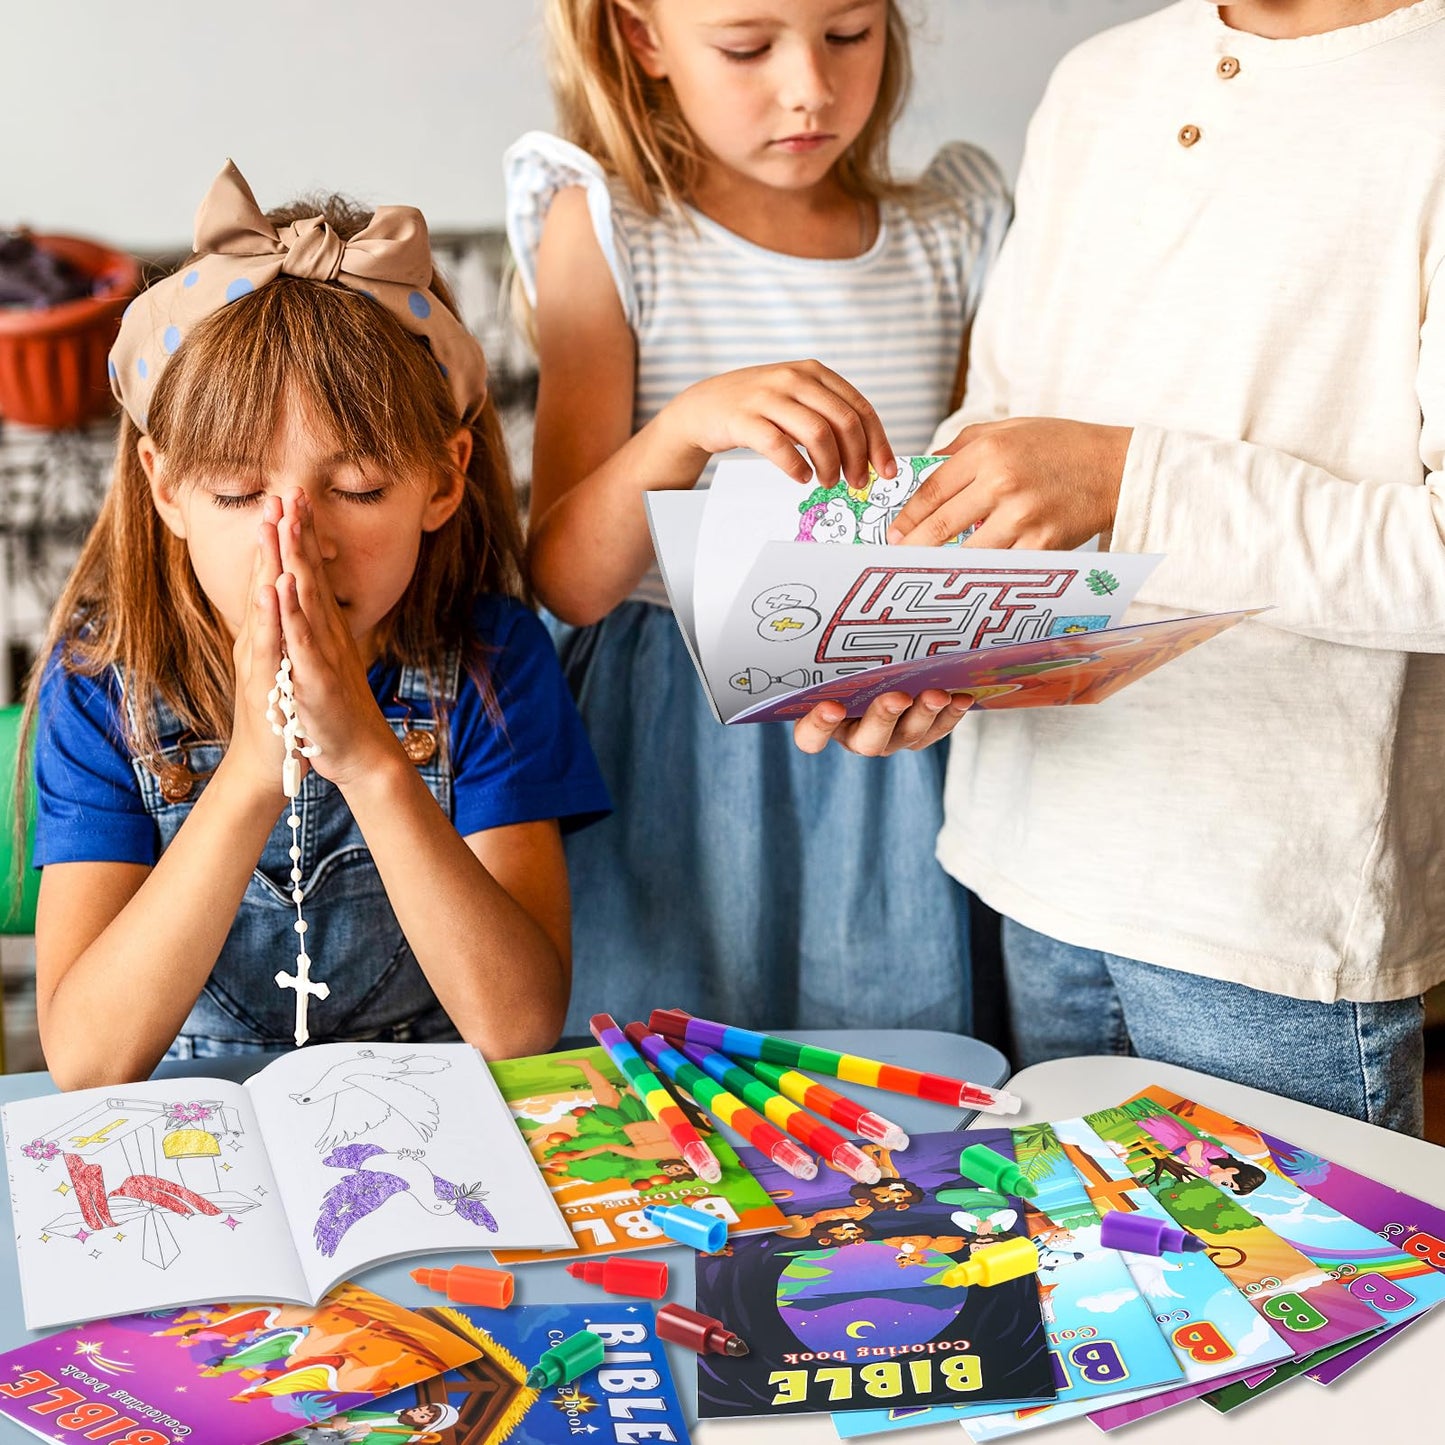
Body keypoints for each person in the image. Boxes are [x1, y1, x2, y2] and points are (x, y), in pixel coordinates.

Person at [795, 0, 1444, 1134]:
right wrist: (921, 649)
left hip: (1266, 917)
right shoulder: (1096, 80)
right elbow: (997, 434)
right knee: (1048, 1301)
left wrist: (1124, 477)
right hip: (1021, 860)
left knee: (1287, 1313)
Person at [22, 162, 609, 1089]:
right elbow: (89, 1058)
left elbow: (519, 1025)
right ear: (166, 487)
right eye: (237, 492)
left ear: (443, 481)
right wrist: (254, 772)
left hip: (435, 1121)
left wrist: (372, 760)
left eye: (358, 489)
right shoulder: (101, 681)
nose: (298, 543)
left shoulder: (495, 661)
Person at [505, 0, 1009, 1035]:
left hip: (886, 740)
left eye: (848, 34)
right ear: (640, 37)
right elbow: (563, 577)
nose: (809, 88)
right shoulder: (608, 227)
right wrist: (680, 432)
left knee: (892, 1087)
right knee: (662, 1092)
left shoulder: (949, 229)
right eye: (747, 46)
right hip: (672, 749)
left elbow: (968, 508)